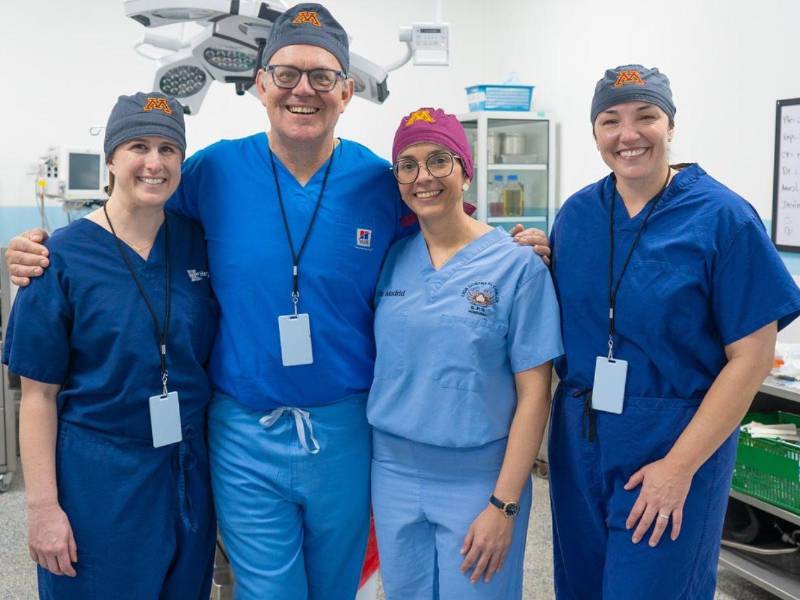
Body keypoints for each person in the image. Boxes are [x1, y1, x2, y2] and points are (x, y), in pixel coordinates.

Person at [4, 5, 550, 598]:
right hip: (244, 429)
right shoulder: (213, 172)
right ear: (260, 83)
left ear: (347, 91)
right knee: (268, 590)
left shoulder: (377, 181)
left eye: (322, 76)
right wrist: (46, 247)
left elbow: (445, 229)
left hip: (344, 428)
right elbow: (134, 221)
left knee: (336, 585)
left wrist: (517, 244)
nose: (303, 90)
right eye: (287, 74)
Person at [547, 64, 800, 599]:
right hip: (580, 434)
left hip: (672, 441)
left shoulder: (723, 218)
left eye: (646, 116)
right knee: (581, 588)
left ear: (670, 125)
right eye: (610, 121)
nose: (628, 134)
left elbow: (752, 358)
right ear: (595, 133)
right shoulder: (577, 216)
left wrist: (679, 468)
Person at [2, 92, 217, 599]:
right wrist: (42, 508)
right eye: (138, 146)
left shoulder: (198, 245)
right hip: (100, 477)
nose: (154, 162)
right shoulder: (58, 259)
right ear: (112, 159)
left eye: (168, 149)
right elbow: (38, 397)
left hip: (187, 469)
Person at [367, 107, 562, 599]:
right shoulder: (391, 259)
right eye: (407, 165)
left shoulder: (518, 266)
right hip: (392, 474)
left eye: (439, 160)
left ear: (466, 171)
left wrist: (504, 504)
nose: (423, 177)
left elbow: (535, 396)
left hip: (478, 478)